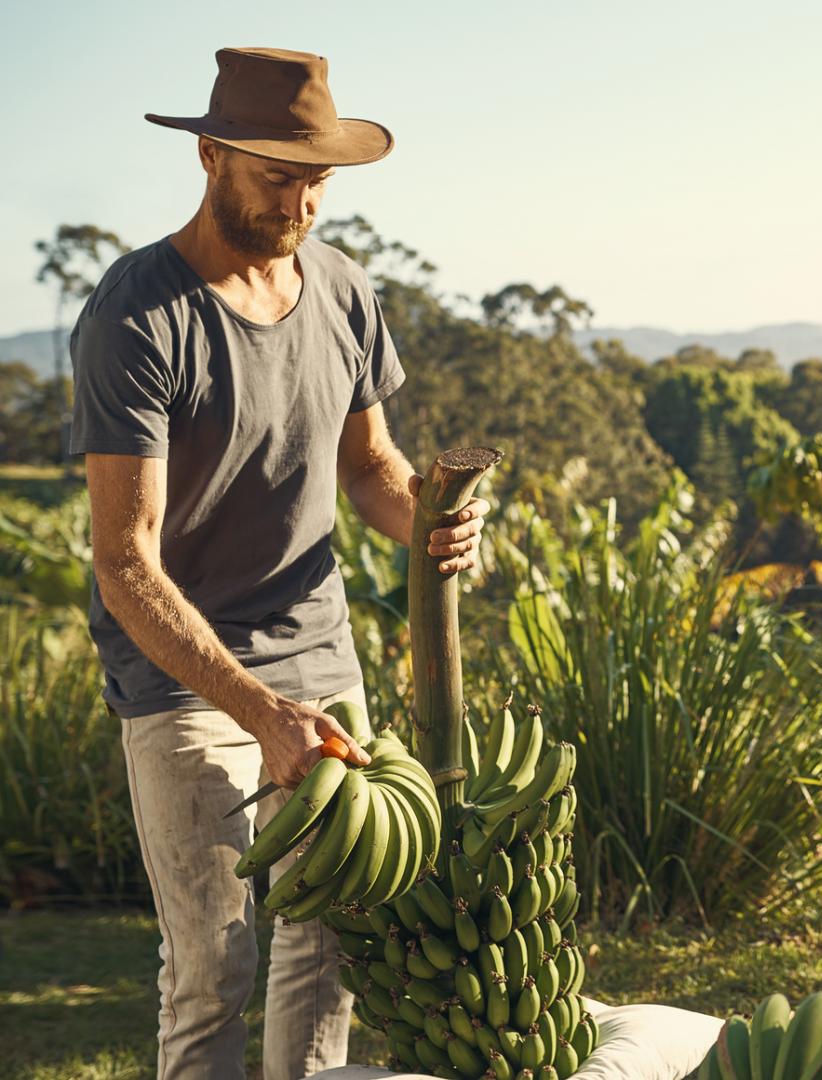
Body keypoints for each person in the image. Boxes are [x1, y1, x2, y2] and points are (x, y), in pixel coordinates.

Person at [67, 47, 487, 1080]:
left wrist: (426, 523)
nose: (304, 201)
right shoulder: (138, 315)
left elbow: (373, 466)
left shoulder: (343, 290)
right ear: (211, 157)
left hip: (323, 664)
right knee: (213, 962)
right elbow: (125, 561)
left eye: (319, 178)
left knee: (331, 942)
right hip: (184, 681)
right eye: (280, 176)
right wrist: (260, 711)